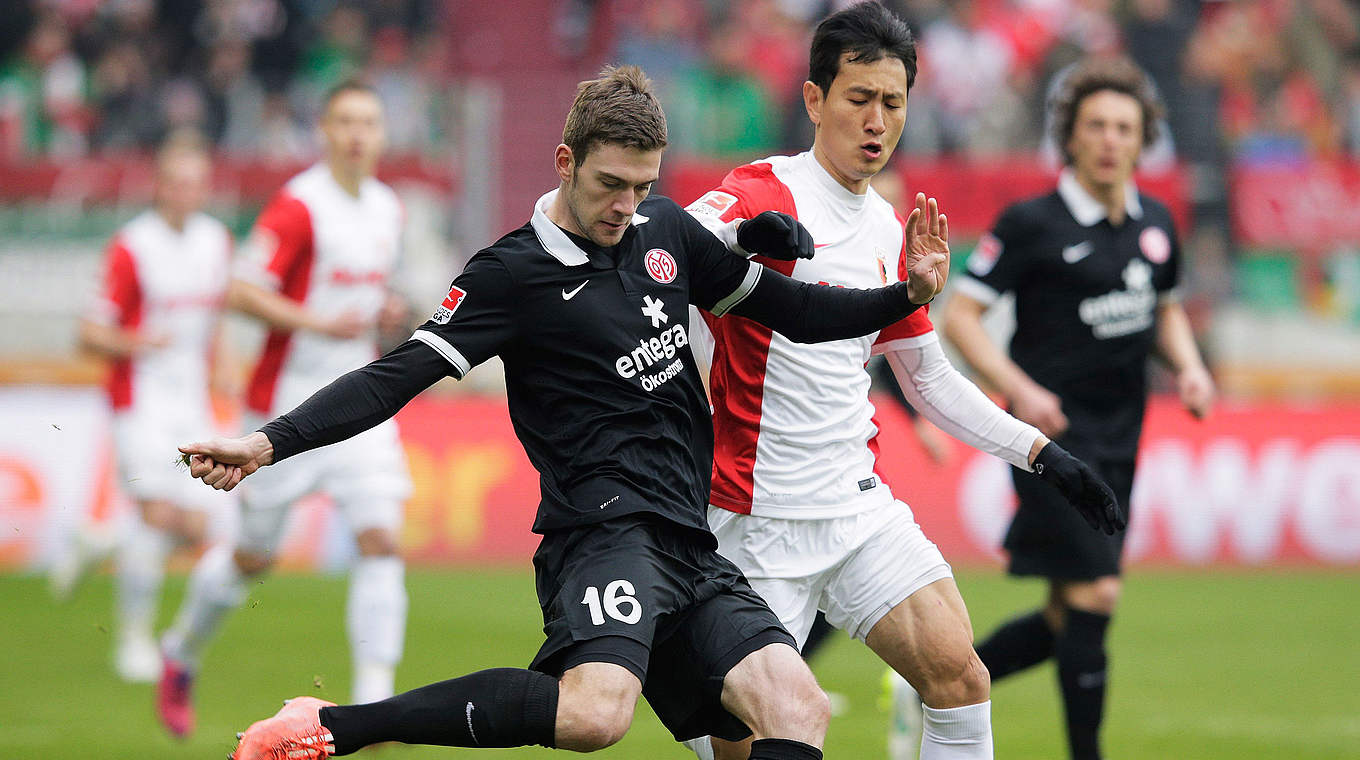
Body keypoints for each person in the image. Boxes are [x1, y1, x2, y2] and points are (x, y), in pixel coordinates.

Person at [183, 64, 950, 760]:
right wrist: (266, 443)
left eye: (641, 186)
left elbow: (795, 310)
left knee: (797, 706)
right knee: (595, 718)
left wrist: (904, 297)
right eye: (610, 184)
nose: (625, 207)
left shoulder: (667, 234)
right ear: (565, 161)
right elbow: (394, 378)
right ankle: (337, 726)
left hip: (689, 539)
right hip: (601, 532)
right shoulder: (509, 275)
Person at [681, 5, 1124, 760]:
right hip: (755, 526)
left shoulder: (891, 230)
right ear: (815, 100)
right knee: (758, 742)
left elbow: (930, 383)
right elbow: (664, 243)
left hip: (856, 512)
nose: (877, 121)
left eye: (892, 103)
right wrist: (737, 244)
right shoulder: (762, 193)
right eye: (858, 99)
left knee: (960, 678)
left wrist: (1045, 456)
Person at [940, 57, 1215, 760]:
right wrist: (1020, 388)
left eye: (1124, 126)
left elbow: (1166, 310)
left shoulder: (1154, 223)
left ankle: (940, 686)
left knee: (1068, 614)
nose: (1110, 139)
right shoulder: (1033, 222)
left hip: (1122, 437)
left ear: (1142, 137)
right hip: (1049, 447)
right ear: (1070, 135)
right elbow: (963, 317)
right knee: (1098, 594)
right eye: (1095, 124)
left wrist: (1187, 368)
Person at [156, 79, 415, 737]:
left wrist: (390, 316)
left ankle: (373, 708)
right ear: (325, 132)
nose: (358, 134)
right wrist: (314, 322)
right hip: (287, 414)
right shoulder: (300, 207)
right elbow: (240, 291)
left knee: (382, 542)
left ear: (382, 135)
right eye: (346, 121)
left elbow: (377, 305)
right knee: (252, 558)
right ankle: (181, 649)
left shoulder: (389, 208)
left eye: (369, 122)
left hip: (361, 407)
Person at [58, 130, 233, 683]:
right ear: (160, 187)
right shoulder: (134, 246)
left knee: (202, 525)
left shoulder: (216, 241)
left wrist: (222, 365)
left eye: (198, 184)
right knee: (157, 516)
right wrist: (139, 344)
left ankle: (98, 539)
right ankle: (133, 639)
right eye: (178, 183)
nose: (189, 193)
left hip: (192, 403)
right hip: (139, 403)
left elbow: (212, 320)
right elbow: (88, 334)